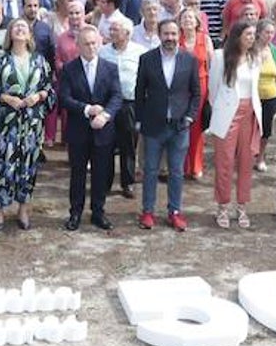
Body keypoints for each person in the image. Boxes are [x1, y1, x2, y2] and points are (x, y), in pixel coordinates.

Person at [0, 17, 53, 231]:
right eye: (16, 26)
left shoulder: (40, 60)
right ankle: (0, 208)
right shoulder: (1, 60)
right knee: (2, 165)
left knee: (28, 166)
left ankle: (23, 207)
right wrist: (6, 98)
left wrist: (40, 95)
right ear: (10, 33)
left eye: (24, 27)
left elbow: (50, 88)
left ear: (30, 34)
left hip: (31, 124)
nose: (20, 29)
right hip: (6, 124)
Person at [135, 19, 201, 231]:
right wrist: (139, 119)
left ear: (178, 34)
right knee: (151, 170)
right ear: (159, 34)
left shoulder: (189, 60)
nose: (170, 38)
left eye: (173, 33)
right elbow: (139, 92)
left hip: (180, 126)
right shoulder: (147, 59)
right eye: (166, 34)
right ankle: (147, 211)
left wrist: (190, 117)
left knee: (176, 171)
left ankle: (174, 211)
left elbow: (196, 93)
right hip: (153, 125)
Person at [60, 25, 123, 231]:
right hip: (78, 131)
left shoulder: (110, 68)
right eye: (86, 43)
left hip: (103, 131)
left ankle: (98, 212)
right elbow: (65, 98)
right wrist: (87, 109)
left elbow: (116, 96)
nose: (91, 47)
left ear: (100, 42)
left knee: (101, 173)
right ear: (78, 45)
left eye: (94, 43)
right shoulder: (69, 69)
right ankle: (75, 213)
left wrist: (105, 116)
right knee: (77, 174)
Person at [207, 22, 263, 229]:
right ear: (238, 35)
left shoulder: (255, 57)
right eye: (248, 34)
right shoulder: (221, 56)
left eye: (253, 35)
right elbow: (213, 90)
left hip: (250, 113)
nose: (252, 38)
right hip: (228, 113)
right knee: (225, 162)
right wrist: (222, 109)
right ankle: (222, 206)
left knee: (247, 162)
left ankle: (242, 207)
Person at [100, 17, 143, 198]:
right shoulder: (103, 52)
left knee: (128, 144)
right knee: (106, 143)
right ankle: (105, 182)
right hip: (108, 104)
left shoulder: (139, 52)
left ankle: (128, 182)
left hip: (128, 103)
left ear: (127, 33)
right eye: (111, 30)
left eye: (116, 30)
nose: (112, 33)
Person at [178, 6, 212, 180]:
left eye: (191, 18)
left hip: (201, 84)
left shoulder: (205, 39)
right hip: (181, 87)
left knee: (197, 127)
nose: (188, 21)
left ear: (197, 21)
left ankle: (196, 165)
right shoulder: (176, 39)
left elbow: (212, 65)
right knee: (182, 125)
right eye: (184, 18)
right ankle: (183, 166)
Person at [254, 19, 276, 173]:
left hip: (271, 95)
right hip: (252, 95)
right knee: (249, 129)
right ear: (258, 33)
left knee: (265, 130)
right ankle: (245, 156)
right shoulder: (250, 50)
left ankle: (261, 157)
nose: (269, 35)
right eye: (266, 32)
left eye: (272, 32)